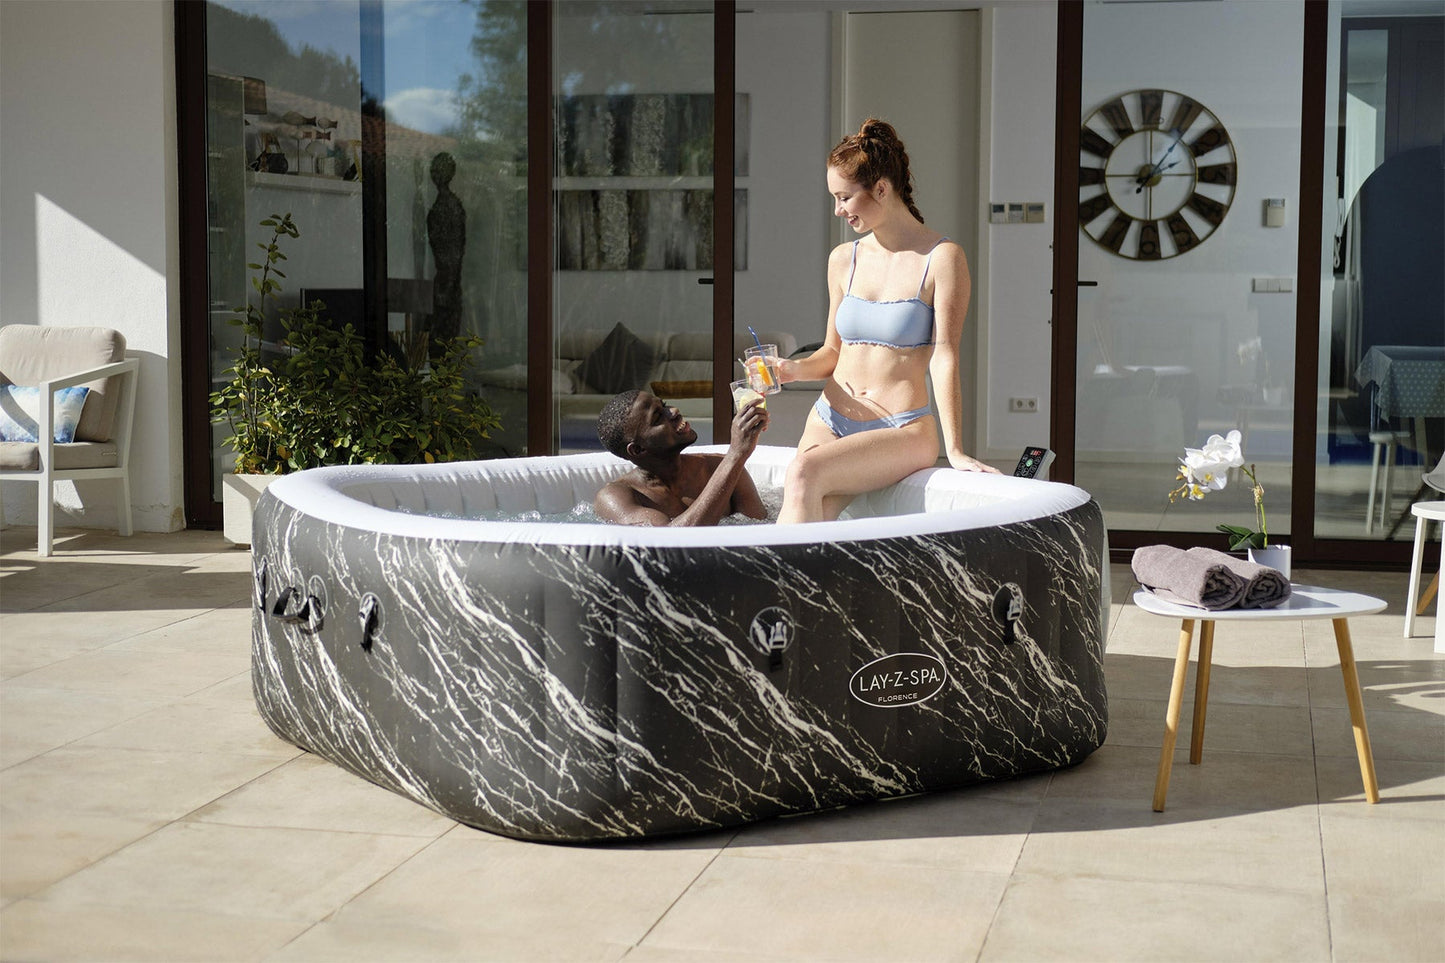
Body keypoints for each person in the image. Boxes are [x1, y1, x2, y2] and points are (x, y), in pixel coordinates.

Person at [773, 118, 999, 524]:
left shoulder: (942, 259)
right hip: (829, 416)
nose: (838, 210)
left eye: (844, 197)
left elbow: (944, 357)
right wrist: (791, 370)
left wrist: (956, 449)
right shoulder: (844, 259)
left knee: (804, 472)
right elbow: (832, 352)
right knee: (807, 511)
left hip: (900, 428)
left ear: (881, 189)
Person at [593, 388, 770, 526]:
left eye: (664, 405)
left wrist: (734, 458)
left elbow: (759, 530)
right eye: (658, 417)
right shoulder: (615, 497)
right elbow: (669, 546)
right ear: (637, 449)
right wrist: (736, 454)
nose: (674, 411)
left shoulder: (718, 466)